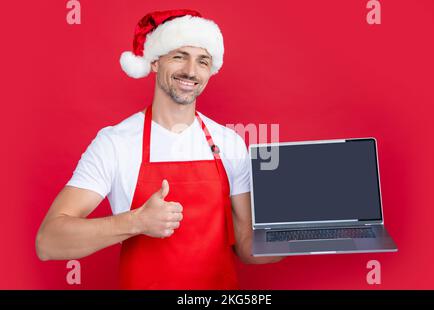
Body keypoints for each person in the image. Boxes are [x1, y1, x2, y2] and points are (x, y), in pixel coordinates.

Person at [36, 9, 283, 290]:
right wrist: (136, 222)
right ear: (155, 62)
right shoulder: (115, 142)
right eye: (179, 56)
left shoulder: (230, 143)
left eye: (202, 61)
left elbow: (247, 245)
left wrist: (299, 235)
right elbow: (48, 241)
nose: (191, 71)